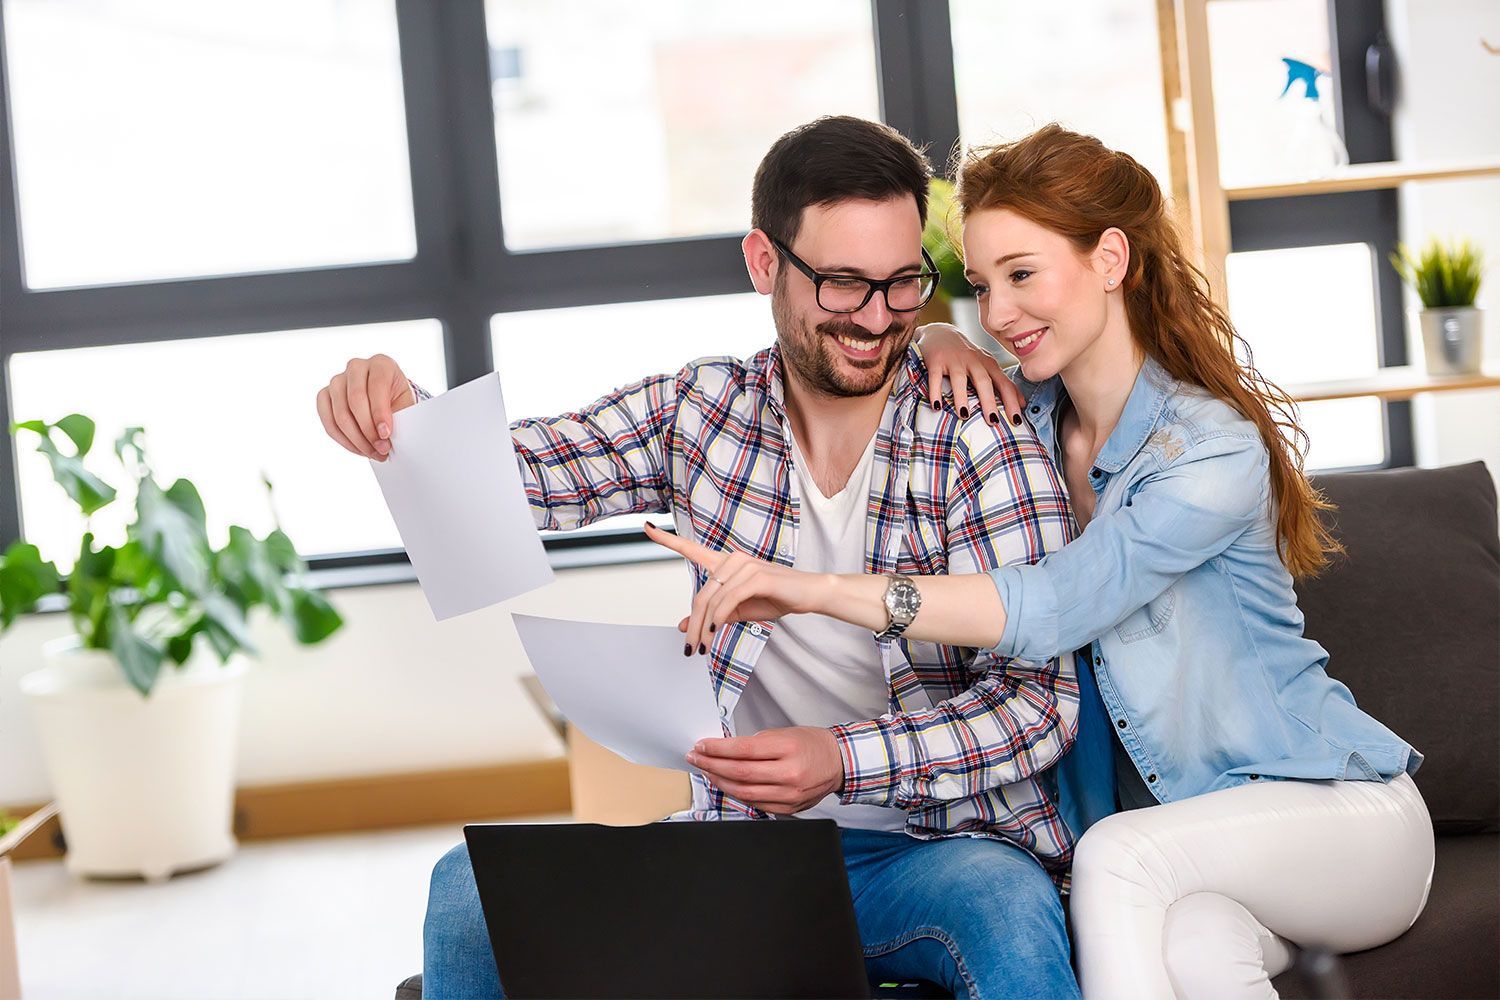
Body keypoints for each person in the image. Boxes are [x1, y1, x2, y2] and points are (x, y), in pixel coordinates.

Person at [646, 123, 1434, 1000]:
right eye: (980, 286)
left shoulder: (1208, 452)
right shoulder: (1016, 421)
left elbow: (1050, 606)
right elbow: (936, 365)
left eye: (1023, 275)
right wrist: (939, 342)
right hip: (1202, 850)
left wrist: (816, 592)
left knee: (1117, 860)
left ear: (1109, 259)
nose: (1000, 313)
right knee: (1199, 958)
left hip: (1338, 817)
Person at [317, 115, 1084, 1000]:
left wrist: (843, 758)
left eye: (902, 283)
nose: (877, 319)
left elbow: (1038, 708)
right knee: (467, 891)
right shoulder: (703, 410)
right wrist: (402, 409)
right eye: (841, 283)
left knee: (1003, 905)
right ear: (764, 263)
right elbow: (526, 472)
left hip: (937, 853)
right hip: (745, 855)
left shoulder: (979, 435)